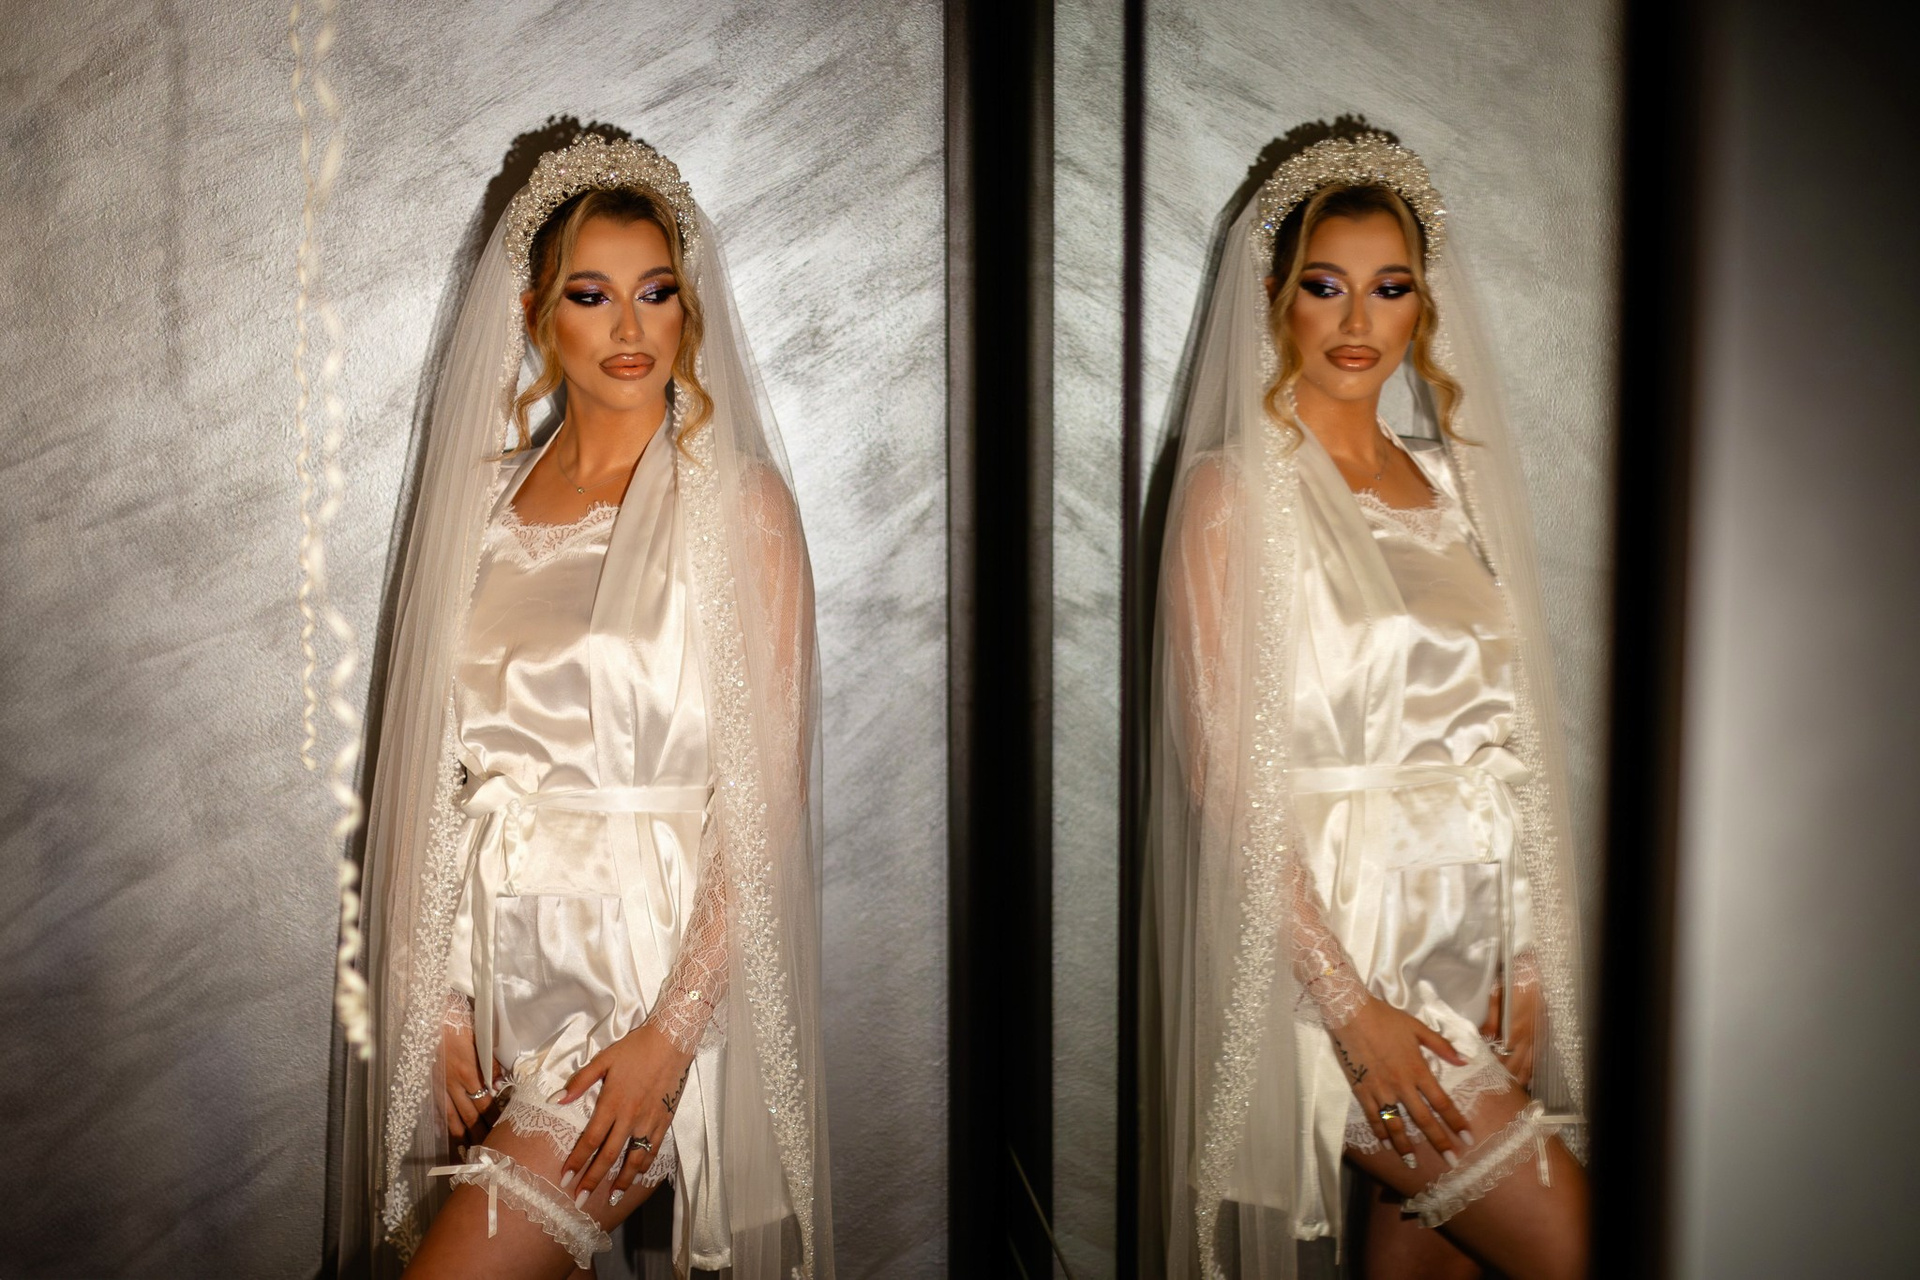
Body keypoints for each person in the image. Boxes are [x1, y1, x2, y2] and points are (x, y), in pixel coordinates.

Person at [337, 133, 832, 1280]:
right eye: (591, 294)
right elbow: (436, 771)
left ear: (688, 308)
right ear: (536, 313)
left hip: (642, 987)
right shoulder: (482, 505)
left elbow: (765, 801)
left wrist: (673, 1029)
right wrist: (438, 1004)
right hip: (490, 978)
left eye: (655, 291)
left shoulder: (739, 506)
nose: (629, 327)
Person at [1145, 132, 1590, 1279]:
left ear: (1421, 303)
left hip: (1475, 951)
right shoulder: (1233, 494)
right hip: (1335, 964)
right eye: (1324, 285)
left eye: (1389, 287)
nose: (1357, 320)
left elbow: (1504, 740)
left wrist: (1527, 960)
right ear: (1277, 297)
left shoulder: (1451, 482)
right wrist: (1349, 1007)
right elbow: (1224, 780)